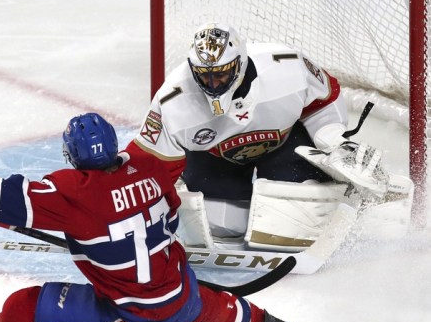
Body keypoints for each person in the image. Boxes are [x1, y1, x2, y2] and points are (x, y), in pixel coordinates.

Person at [0, 112, 295, 322]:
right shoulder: (150, 166)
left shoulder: (72, 194)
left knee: (24, 307)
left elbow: (9, 198)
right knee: (207, 308)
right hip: (179, 291)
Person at [140, 22, 412, 251]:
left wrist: (333, 138)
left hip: (282, 147)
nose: (213, 85)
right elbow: (148, 161)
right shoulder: (172, 100)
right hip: (215, 162)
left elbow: (324, 99)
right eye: (205, 76)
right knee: (221, 225)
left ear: (240, 63)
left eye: (221, 76)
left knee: (295, 219)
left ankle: (336, 200)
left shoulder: (287, 67)